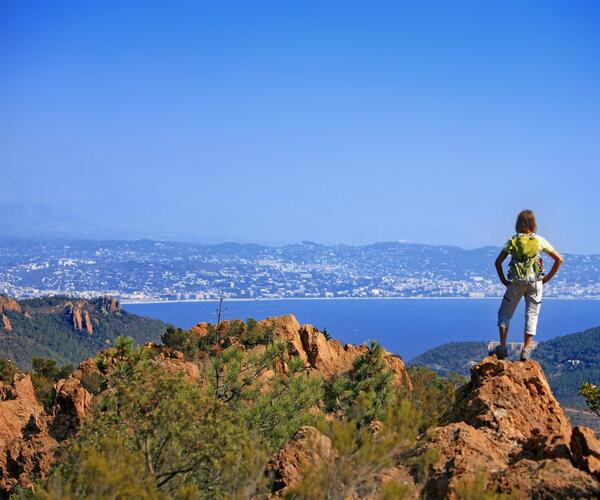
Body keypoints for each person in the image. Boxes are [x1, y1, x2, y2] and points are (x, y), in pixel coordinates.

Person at [491, 210, 563, 361]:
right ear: (533, 223)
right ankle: (526, 350)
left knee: (504, 314)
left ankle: (503, 348)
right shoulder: (539, 240)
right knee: (532, 315)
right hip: (535, 283)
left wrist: (504, 280)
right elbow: (559, 259)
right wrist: (546, 279)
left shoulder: (513, 240)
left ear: (518, 223)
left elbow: (498, 262)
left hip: (516, 283)